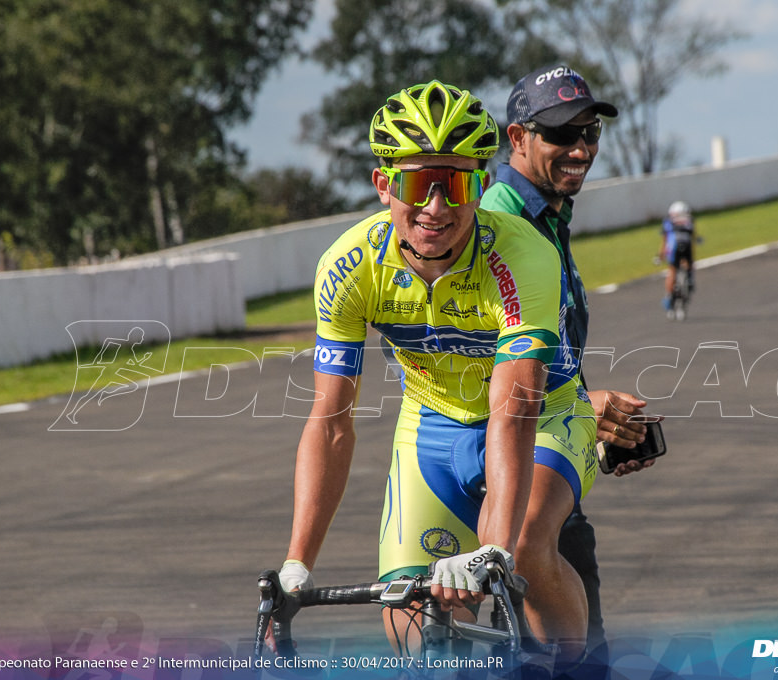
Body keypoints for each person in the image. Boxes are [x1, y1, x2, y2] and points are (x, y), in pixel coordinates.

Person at [276, 80, 605, 664]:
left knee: (525, 546)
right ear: (384, 186)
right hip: (431, 429)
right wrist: (296, 566)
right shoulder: (349, 267)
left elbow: (516, 405)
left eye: (454, 184)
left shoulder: (523, 254)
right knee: (412, 619)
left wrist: (494, 550)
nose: (436, 207)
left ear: (479, 184)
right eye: (417, 184)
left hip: (547, 419)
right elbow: (330, 423)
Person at [480, 64, 655, 656]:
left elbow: (540, 352)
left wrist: (592, 427)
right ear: (519, 138)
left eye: (591, 133)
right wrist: (587, 404)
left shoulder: (547, 215)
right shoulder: (502, 225)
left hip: (546, 456)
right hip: (505, 476)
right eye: (562, 134)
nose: (581, 148)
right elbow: (481, 366)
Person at [659, 200, 698, 311]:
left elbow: (665, 240)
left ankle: (669, 296)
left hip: (674, 248)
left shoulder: (668, 221)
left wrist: (661, 254)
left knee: (672, 269)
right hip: (687, 247)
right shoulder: (690, 220)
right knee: (688, 263)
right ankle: (689, 280)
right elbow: (692, 238)